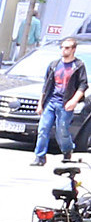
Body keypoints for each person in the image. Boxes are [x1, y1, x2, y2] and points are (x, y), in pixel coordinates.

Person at [40, 37, 86, 165]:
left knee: (62, 130)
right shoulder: (54, 65)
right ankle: (40, 157)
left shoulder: (78, 66)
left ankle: (67, 150)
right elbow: (46, 85)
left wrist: (74, 101)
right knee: (43, 129)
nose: (63, 50)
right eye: (62, 47)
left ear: (73, 50)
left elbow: (83, 85)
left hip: (65, 103)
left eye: (67, 48)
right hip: (51, 101)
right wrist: (41, 103)